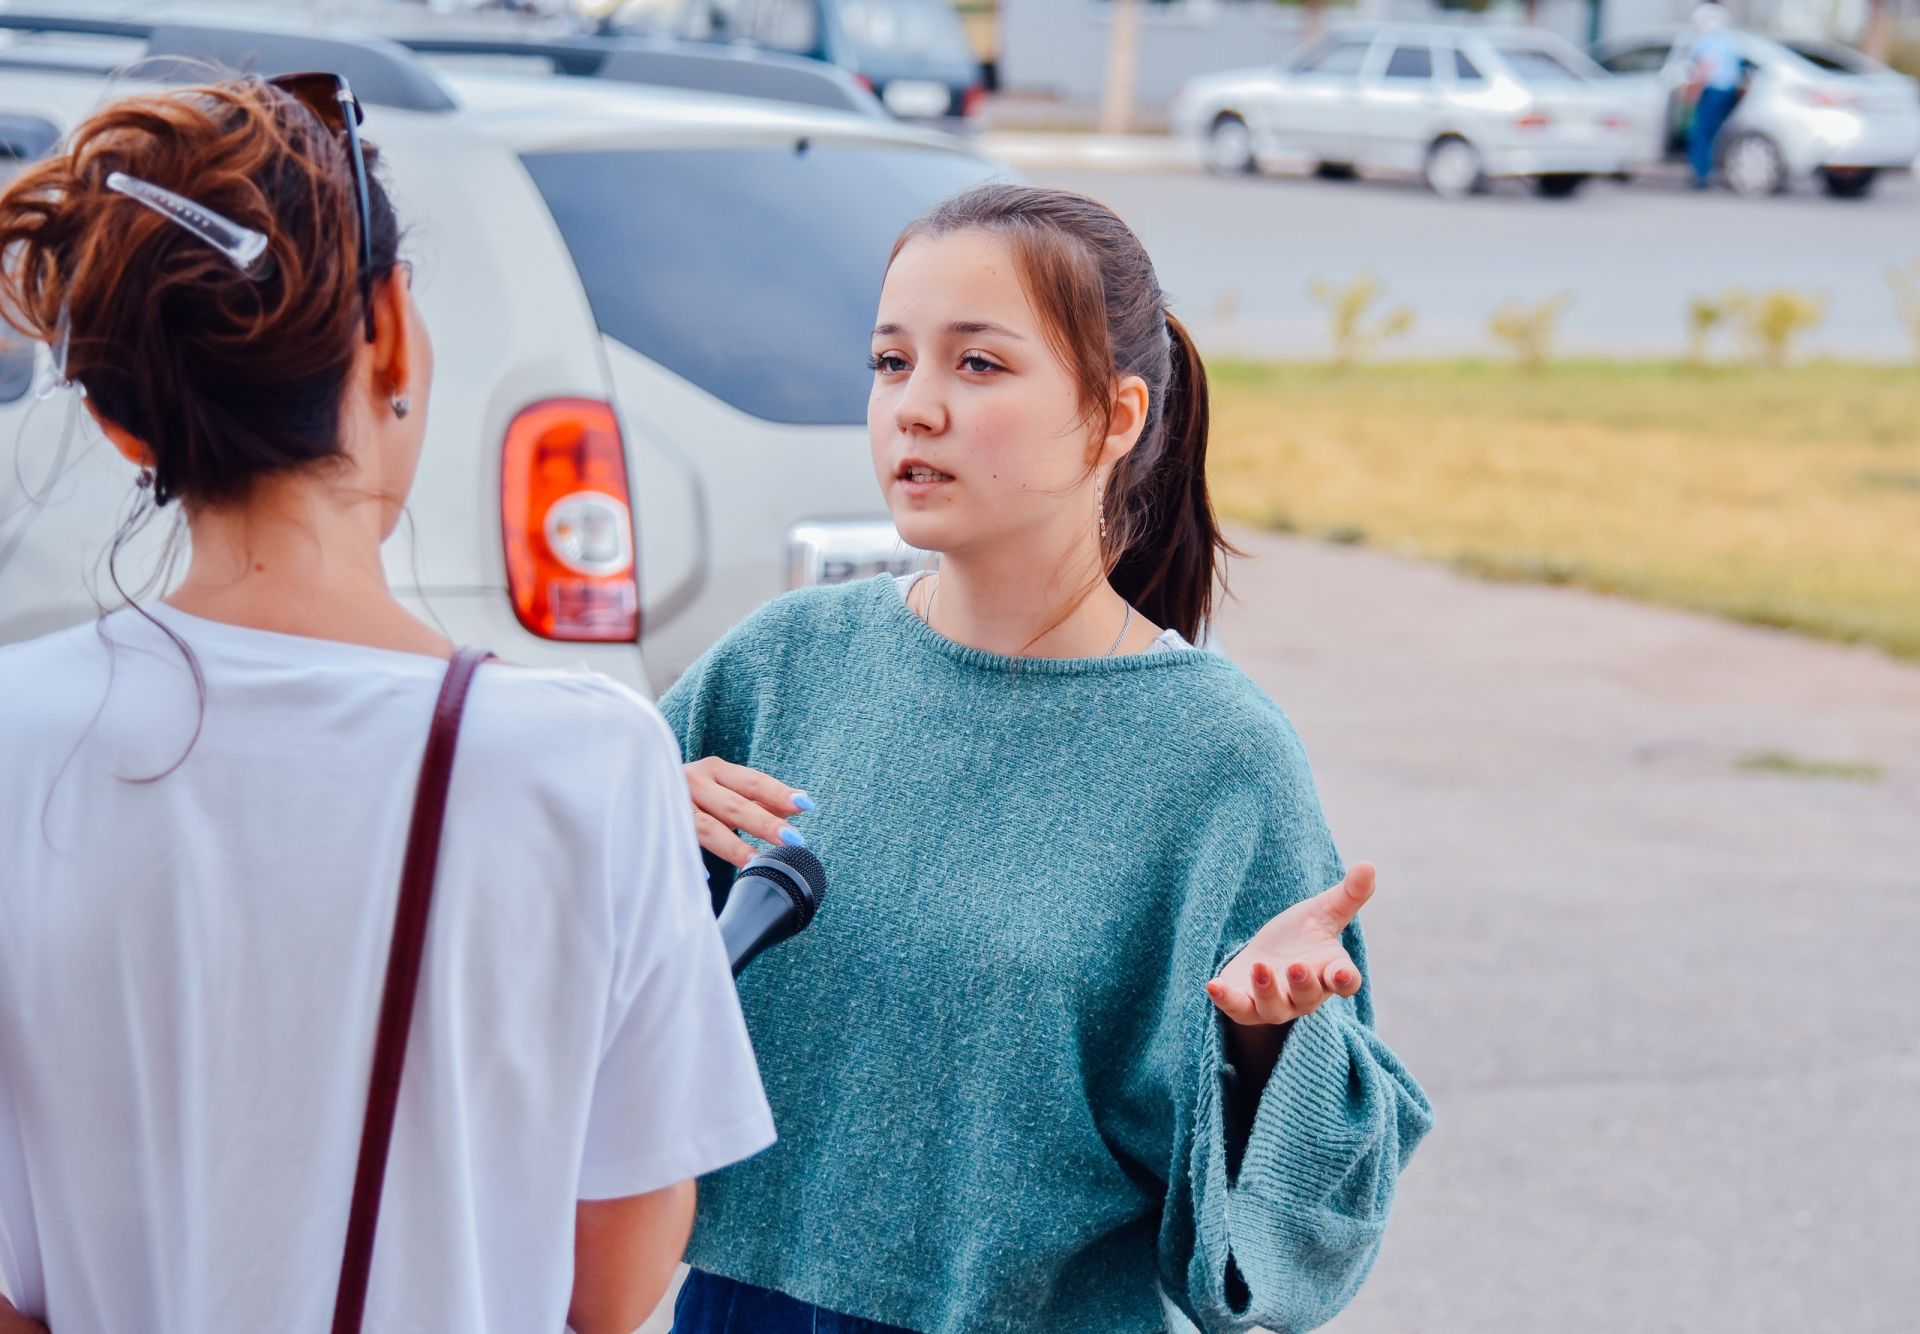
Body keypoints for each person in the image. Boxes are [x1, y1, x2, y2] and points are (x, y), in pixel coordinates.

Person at [0, 77, 773, 1332]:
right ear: (396, 334)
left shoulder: (14, 732)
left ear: (116, 419)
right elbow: (617, 1284)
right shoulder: (583, 760)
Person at [662, 184, 1433, 1333]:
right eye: (890, 363)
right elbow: (545, 960)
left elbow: (1304, 1240)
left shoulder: (1217, 756)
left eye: (977, 365)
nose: (914, 408)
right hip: (733, 1306)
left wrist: (1270, 1045)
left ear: (1115, 415)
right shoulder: (782, 662)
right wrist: (629, 825)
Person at [1686, 3, 1744, 189]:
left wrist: (1693, 91)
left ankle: (1700, 175)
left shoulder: (1707, 41)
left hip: (1712, 91)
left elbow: (1705, 67)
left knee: (1701, 133)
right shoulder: (1729, 41)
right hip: (1728, 92)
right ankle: (1707, 171)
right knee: (1713, 134)